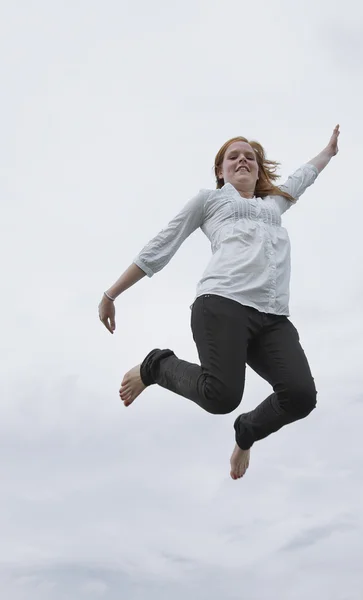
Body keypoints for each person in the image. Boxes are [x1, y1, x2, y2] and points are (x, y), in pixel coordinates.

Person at [98, 125, 340, 480]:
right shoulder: (209, 201)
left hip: (272, 317)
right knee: (222, 397)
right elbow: (164, 242)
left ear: (258, 170)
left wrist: (327, 153)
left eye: (250, 157)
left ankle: (247, 433)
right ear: (220, 170)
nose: (243, 159)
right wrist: (111, 293)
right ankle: (155, 367)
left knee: (301, 396)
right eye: (233, 156)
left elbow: (303, 177)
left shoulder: (274, 204)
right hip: (222, 304)